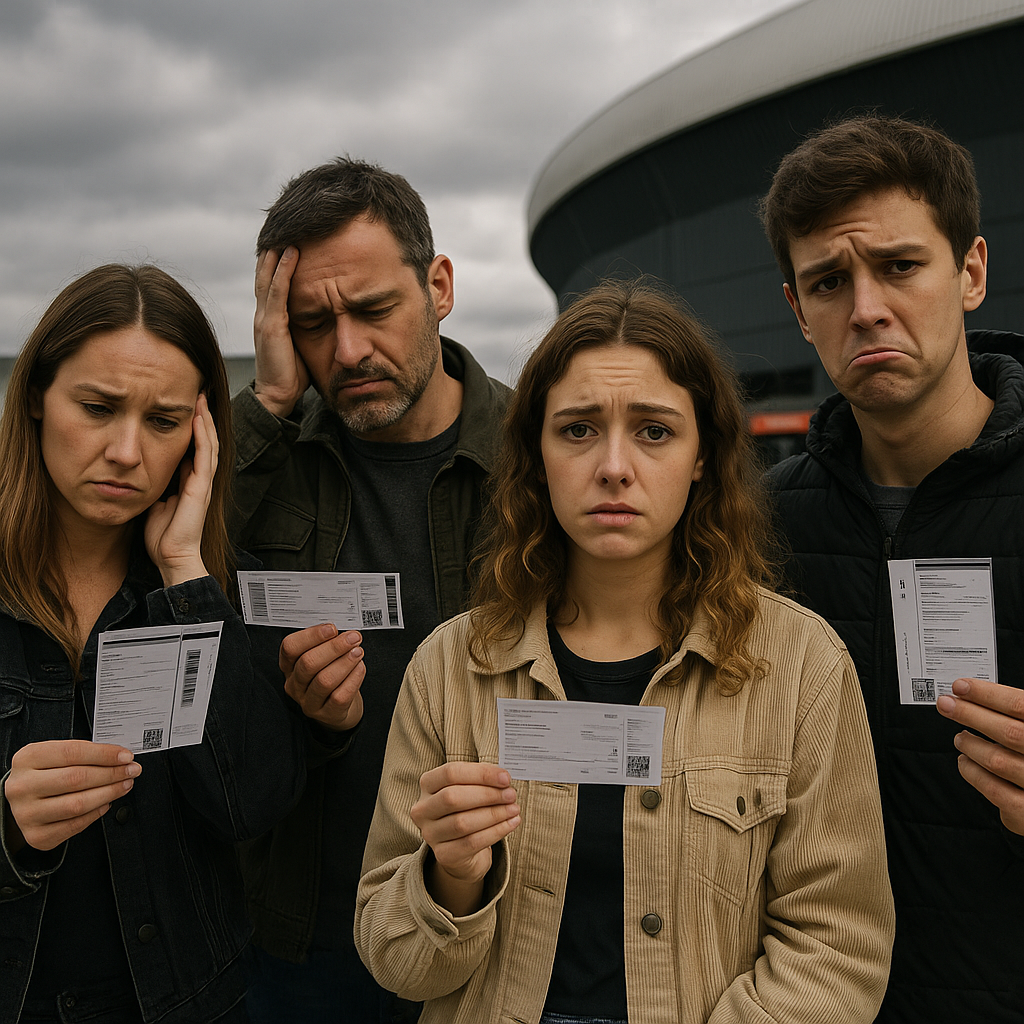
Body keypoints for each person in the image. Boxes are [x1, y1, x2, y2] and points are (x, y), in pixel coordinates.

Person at [354, 280, 895, 1024]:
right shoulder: (451, 669)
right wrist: (450, 878)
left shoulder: (803, 667)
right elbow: (396, 962)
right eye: (577, 429)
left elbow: (839, 948)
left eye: (654, 431)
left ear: (704, 454)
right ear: (535, 454)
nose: (613, 466)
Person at [230, 158, 510, 1021]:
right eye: (313, 323)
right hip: (305, 928)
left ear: (439, 285)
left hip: (500, 930)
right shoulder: (263, 463)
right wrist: (269, 398)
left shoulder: (541, 456)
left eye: (374, 310)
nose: (347, 350)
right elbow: (153, 551)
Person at [761, 114, 1024, 1022]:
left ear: (972, 271)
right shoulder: (759, 527)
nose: (865, 307)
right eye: (829, 281)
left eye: (901, 267)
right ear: (798, 310)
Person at [0, 264, 306, 1024]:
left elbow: (253, 805)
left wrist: (184, 573)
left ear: (200, 437)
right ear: (37, 395)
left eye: (164, 421)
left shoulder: (212, 590)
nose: (127, 452)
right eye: (98, 408)